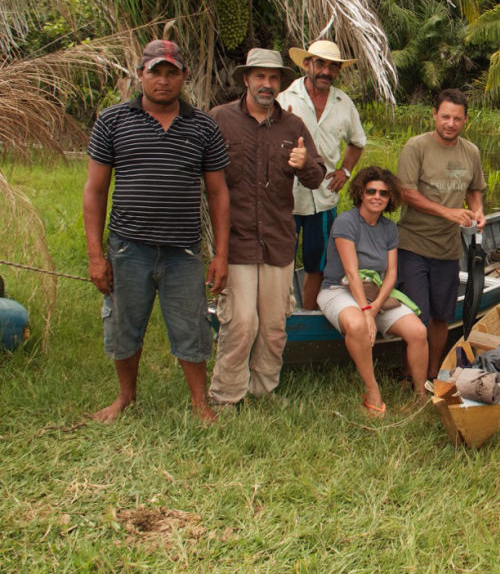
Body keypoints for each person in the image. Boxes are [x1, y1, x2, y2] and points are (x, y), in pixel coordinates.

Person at [83, 39, 230, 423]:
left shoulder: (203, 126)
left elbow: (218, 193)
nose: (163, 80)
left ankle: (200, 404)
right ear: (140, 75)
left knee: (191, 327)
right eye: (155, 72)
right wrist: (96, 256)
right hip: (128, 248)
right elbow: (95, 191)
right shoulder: (112, 121)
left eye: (171, 72)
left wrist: (221, 254)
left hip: (183, 251)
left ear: (184, 76)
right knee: (123, 324)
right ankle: (125, 397)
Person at [207, 48, 325, 406]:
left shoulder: (293, 126)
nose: (266, 84)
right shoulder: (219, 119)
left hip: (277, 240)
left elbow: (317, 178)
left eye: (273, 78)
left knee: (273, 326)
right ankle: (226, 395)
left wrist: (305, 164)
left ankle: (263, 389)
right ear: (246, 79)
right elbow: (200, 174)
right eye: (259, 76)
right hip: (236, 240)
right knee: (241, 323)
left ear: (280, 84)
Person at [318, 167, 430, 415]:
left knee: (418, 331)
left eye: (384, 193)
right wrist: (367, 313)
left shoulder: (389, 228)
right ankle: (372, 390)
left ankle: (420, 394)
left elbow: (391, 274)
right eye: (371, 191)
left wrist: (374, 307)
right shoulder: (346, 222)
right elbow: (352, 272)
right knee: (357, 325)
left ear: (391, 198)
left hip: (374, 293)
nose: (377, 197)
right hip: (339, 288)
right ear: (361, 193)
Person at [397, 89, 486, 380]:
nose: (450, 123)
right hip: (413, 244)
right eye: (445, 116)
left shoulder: (470, 151)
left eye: (457, 118)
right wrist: (448, 212)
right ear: (434, 115)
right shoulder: (416, 147)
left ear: (465, 120)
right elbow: (406, 193)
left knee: (441, 317)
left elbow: (474, 189)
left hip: (448, 250)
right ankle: (415, 377)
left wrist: (478, 211)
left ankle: (432, 373)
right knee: (417, 316)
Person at [277, 40, 367, 310]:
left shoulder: (343, 103)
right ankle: (281, 318)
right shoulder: (285, 100)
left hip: (324, 197)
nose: (326, 71)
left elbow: (357, 141)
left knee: (317, 263)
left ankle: (308, 313)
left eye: (333, 66)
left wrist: (346, 170)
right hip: (287, 198)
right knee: (282, 261)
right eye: (320, 64)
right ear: (307, 64)